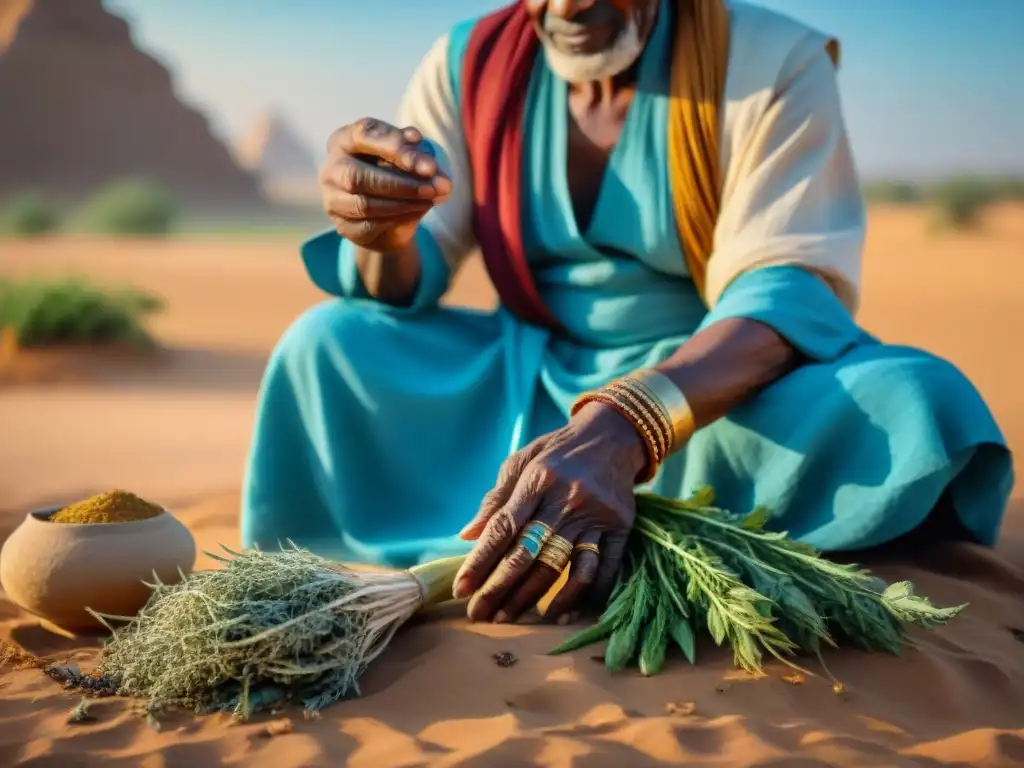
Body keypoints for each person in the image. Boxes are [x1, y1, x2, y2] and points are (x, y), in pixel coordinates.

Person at [242, 0, 1012, 625]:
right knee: (328, 342)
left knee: (915, 400)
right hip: (523, 387)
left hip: (711, 398)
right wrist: (380, 229)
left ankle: (578, 502)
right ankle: (561, 508)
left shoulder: (773, 60)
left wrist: (624, 429)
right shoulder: (466, 63)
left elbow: (788, 287)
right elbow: (401, 283)